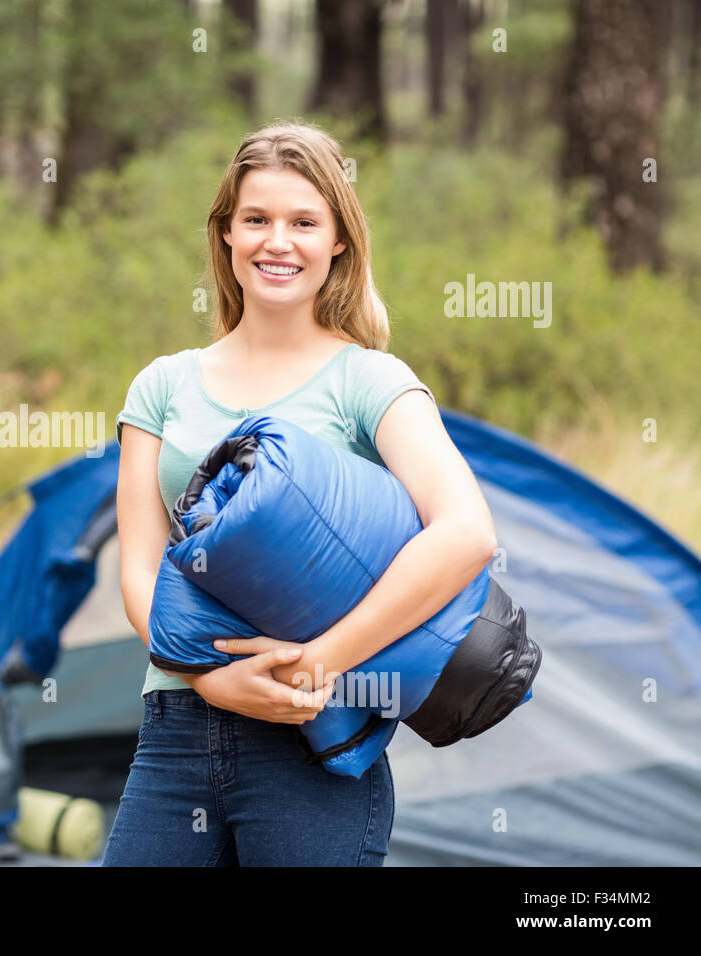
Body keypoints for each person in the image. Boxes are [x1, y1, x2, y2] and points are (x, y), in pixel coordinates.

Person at [103, 120, 498, 866]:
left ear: (338, 241)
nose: (276, 242)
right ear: (225, 233)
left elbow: (466, 532)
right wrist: (215, 683)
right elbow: (139, 569)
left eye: (303, 222)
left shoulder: (368, 381)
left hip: (314, 742)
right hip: (177, 729)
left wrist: (317, 662)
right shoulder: (161, 386)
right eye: (256, 219)